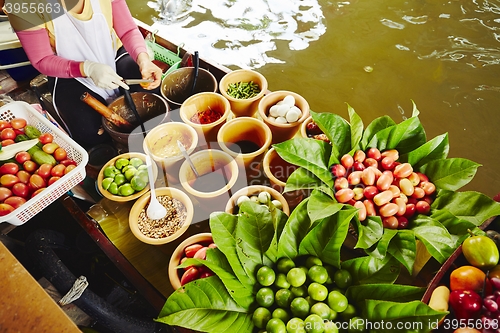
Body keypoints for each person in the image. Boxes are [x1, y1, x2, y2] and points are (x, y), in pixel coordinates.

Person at [4, 0, 163, 149]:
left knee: (152, 94)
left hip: (112, 53)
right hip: (67, 71)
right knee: (90, 131)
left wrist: (143, 60)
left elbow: (128, 30)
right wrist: (87, 69)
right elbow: (42, 59)